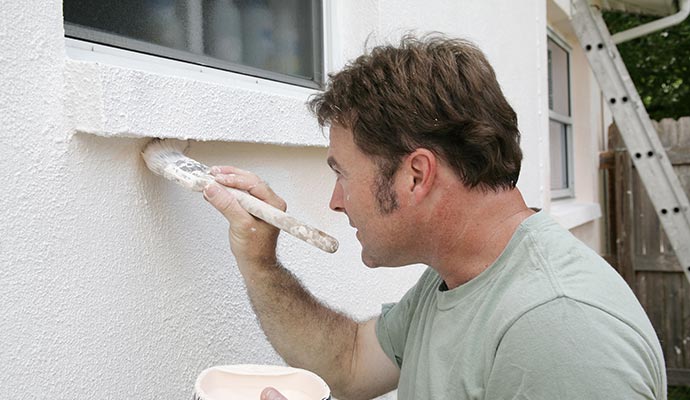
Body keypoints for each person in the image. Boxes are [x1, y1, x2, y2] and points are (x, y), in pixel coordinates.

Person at [202, 35, 667, 399]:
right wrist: (260, 261)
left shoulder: (559, 331)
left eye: (343, 174)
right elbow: (347, 364)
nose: (336, 201)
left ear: (416, 174)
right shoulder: (455, 279)